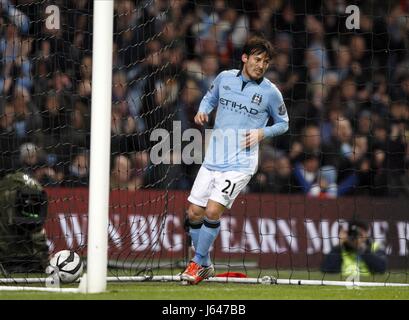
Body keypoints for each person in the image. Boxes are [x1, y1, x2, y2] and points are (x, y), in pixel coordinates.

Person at [181, 36, 289, 284]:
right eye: (257, 59)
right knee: (194, 213)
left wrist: (263, 132)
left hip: (241, 163)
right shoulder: (224, 78)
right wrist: (202, 110)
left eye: (266, 62)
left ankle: (196, 263)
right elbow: (210, 97)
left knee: (211, 210)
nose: (261, 65)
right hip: (213, 159)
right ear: (245, 58)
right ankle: (206, 265)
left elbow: (284, 124)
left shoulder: (271, 93)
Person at [321, 220, 387, 277]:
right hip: (344, 282)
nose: (355, 236)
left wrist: (363, 249)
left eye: (360, 234)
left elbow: (381, 269)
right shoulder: (341, 249)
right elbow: (326, 269)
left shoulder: (374, 247)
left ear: (366, 234)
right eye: (352, 234)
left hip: (368, 282)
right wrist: (339, 246)